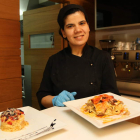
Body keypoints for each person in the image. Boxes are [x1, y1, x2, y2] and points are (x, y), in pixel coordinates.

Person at [36, 4, 120, 110]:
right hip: (63, 120)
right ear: (63, 33)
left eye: (82, 23)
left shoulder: (103, 57)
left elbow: (113, 97)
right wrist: (54, 100)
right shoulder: (54, 60)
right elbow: (42, 96)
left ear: (88, 27)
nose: (78, 30)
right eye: (70, 26)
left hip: (96, 120)